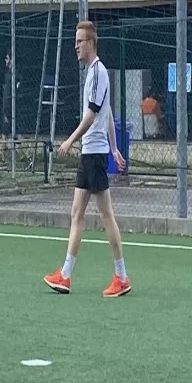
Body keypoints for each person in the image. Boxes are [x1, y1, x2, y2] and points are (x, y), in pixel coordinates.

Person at [44, 20, 131, 297]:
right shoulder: (93, 74)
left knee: (105, 215)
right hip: (92, 153)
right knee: (77, 213)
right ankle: (66, 275)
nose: (76, 46)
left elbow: (94, 114)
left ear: (91, 43)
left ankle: (121, 277)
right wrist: (115, 148)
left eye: (80, 41)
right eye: (75, 41)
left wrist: (71, 140)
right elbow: (106, 114)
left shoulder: (98, 73)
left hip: (92, 155)